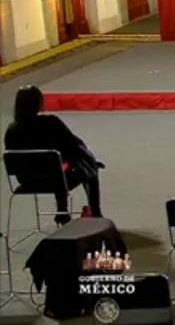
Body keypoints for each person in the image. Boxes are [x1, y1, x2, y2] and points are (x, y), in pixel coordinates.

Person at [4, 85, 104, 224]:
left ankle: (62, 211)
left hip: (26, 181)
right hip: (56, 179)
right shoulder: (51, 122)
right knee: (85, 168)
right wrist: (89, 160)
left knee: (55, 166)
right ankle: (95, 214)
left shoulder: (11, 130)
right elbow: (72, 145)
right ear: (38, 103)